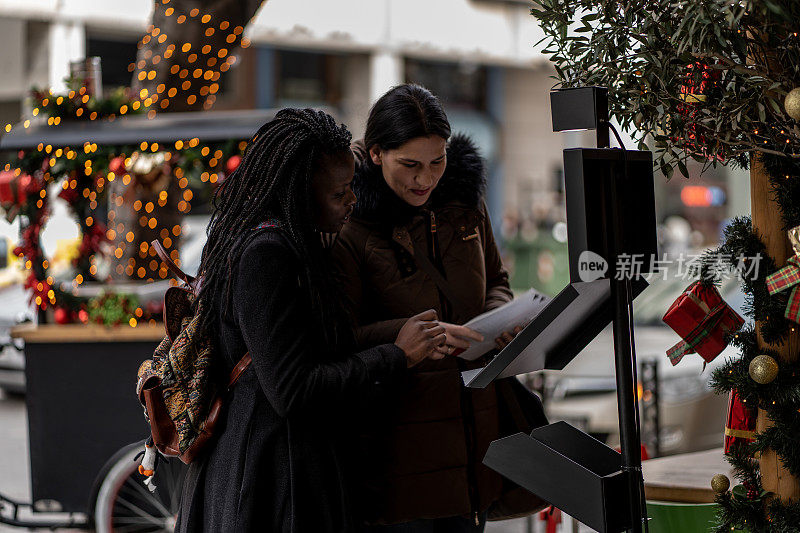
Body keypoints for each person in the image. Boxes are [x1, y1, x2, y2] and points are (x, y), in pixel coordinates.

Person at [176, 108, 448, 533]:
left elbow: (313, 348)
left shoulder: (287, 243)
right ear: (301, 192)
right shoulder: (266, 253)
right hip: (269, 486)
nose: (351, 202)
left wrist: (399, 335)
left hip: (283, 473)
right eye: (340, 193)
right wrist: (396, 356)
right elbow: (292, 391)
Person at [332, 85, 546, 531]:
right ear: (375, 154)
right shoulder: (350, 225)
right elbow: (338, 335)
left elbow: (497, 280)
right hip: (399, 453)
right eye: (409, 165)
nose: (425, 179)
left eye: (437, 161)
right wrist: (408, 335)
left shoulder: (465, 205)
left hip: (477, 440)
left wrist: (500, 317)